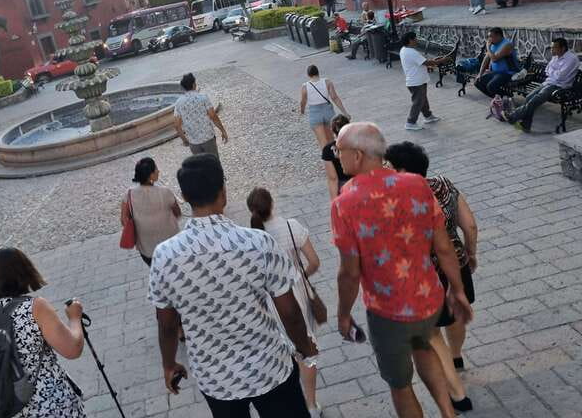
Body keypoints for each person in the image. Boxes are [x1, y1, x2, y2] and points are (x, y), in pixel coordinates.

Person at [149, 154, 318, 417]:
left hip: (216, 378)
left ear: (183, 197)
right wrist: (304, 347)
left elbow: (167, 323)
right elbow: (290, 314)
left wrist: (169, 363)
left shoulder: (164, 256)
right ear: (223, 192)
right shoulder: (258, 243)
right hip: (269, 367)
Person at [331, 123, 473, 418]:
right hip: (429, 297)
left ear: (357, 155)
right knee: (424, 347)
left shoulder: (345, 204)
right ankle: (449, 413)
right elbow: (445, 247)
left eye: (339, 150)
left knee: (399, 383)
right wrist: (457, 289)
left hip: (388, 310)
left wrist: (343, 313)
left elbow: (350, 272)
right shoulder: (416, 185)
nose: (337, 156)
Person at [385, 142, 480, 414]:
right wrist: (470, 254)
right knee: (458, 314)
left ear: (402, 171)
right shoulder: (444, 185)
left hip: (427, 274)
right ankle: (457, 356)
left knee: (432, 333)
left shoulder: (399, 201)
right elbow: (470, 225)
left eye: (389, 167)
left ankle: (458, 394)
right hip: (457, 262)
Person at [0, 248, 86, 418]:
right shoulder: (36, 308)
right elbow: (72, 349)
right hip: (51, 407)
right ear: (26, 272)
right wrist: (74, 318)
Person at [248, 187, 323, 417]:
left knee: (284, 350)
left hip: (270, 302)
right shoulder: (292, 227)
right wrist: (300, 277)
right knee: (307, 351)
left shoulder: (253, 237)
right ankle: (311, 405)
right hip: (296, 295)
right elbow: (314, 262)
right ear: (273, 203)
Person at [506, 37, 580, 132]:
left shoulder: (571, 59)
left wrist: (552, 72)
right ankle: (526, 124)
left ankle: (513, 116)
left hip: (560, 87)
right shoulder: (556, 56)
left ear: (563, 48)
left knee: (535, 100)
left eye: (554, 47)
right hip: (549, 82)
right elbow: (547, 70)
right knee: (529, 97)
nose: (552, 50)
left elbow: (560, 77)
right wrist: (554, 72)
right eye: (551, 47)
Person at [121, 157, 181, 266]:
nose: (158, 171)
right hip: (171, 246)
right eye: (156, 169)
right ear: (151, 175)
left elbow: (124, 219)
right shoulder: (165, 192)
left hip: (147, 249)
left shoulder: (129, 194)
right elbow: (178, 213)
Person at [399, 31, 451, 131]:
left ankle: (428, 116)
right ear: (410, 40)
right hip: (416, 81)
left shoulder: (404, 50)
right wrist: (441, 61)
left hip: (417, 80)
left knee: (422, 99)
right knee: (418, 102)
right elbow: (426, 62)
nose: (416, 40)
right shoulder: (411, 52)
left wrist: (435, 61)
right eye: (415, 38)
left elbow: (422, 62)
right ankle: (410, 122)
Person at [174, 73, 228, 157]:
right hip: (208, 138)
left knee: (201, 167)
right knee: (214, 164)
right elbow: (213, 116)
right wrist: (223, 130)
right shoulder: (203, 98)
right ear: (194, 84)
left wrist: (184, 140)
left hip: (193, 142)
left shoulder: (178, 103)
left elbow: (177, 125)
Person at [299, 64, 351, 147]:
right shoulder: (327, 82)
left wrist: (302, 111)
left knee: (323, 144)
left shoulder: (305, 86)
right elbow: (335, 98)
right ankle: (335, 158)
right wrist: (345, 112)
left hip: (315, 113)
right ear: (318, 72)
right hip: (328, 112)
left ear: (308, 75)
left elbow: (303, 102)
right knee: (332, 141)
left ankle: (327, 158)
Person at [474, 27, 520, 98]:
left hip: (508, 73)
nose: (489, 39)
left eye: (491, 36)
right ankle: (499, 99)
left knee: (491, 86)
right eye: (488, 36)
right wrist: (480, 74)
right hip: (496, 73)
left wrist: (488, 48)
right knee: (478, 82)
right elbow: (486, 59)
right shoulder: (493, 45)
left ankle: (507, 97)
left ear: (498, 36)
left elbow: (494, 59)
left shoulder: (507, 45)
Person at [323, 114, 351, 200]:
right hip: (359, 182)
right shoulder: (358, 143)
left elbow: (333, 178)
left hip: (342, 185)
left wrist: (334, 201)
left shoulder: (328, 149)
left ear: (332, 130)